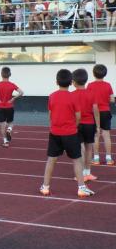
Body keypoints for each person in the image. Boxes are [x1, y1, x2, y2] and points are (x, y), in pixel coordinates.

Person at [40, 69, 93, 198]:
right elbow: (78, 116)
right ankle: (81, 187)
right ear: (71, 82)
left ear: (56, 82)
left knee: (51, 160)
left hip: (55, 132)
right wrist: (73, 126)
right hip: (70, 133)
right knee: (77, 160)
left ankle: (45, 186)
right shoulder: (73, 97)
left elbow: (50, 115)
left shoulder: (52, 96)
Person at [72, 69, 100, 183]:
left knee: (80, 149)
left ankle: (82, 173)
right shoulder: (91, 93)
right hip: (90, 124)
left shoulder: (71, 95)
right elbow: (96, 110)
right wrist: (98, 126)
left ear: (73, 82)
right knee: (89, 149)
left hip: (77, 124)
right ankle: (88, 173)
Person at [0, 67, 23, 147]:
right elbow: (21, 92)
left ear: (1, 74)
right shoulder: (12, 85)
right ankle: (9, 129)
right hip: (9, 106)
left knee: (3, 124)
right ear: (9, 75)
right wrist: (13, 98)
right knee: (10, 123)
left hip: (0, 106)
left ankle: (5, 142)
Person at [86, 64, 114, 166]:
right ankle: (109, 158)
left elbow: (87, 99)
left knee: (96, 136)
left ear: (94, 74)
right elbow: (111, 99)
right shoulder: (108, 85)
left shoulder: (90, 85)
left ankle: (96, 158)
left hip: (93, 112)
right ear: (105, 74)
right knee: (106, 135)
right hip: (105, 111)